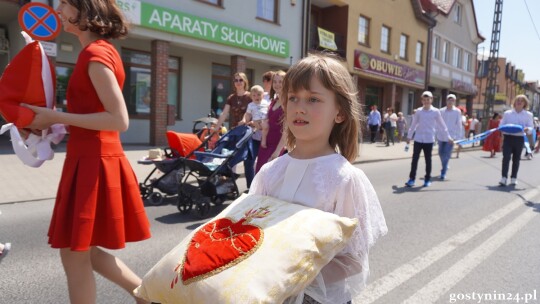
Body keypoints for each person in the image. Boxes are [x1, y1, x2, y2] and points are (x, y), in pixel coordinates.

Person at [21, 1, 151, 303]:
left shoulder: (95, 53)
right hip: (91, 158)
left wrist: (55, 117)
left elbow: (119, 120)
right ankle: (147, 296)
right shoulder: (98, 51)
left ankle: (148, 296)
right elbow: (97, 114)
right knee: (81, 251)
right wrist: (53, 125)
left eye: (64, 4)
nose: (58, 11)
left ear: (85, 9)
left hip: (93, 161)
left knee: (75, 253)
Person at [249, 54, 387, 304]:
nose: (300, 107)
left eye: (313, 99)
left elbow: (353, 258)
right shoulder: (270, 173)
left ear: (340, 113)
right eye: (293, 98)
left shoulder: (344, 178)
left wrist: (298, 277)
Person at [213, 72, 255, 188]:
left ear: (245, 82)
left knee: (248, 162)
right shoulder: (231, 97)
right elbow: (224, 113)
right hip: (235, 130)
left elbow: (256, 111)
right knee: (231, 157)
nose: (238, 83)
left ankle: (250, 188)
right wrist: (215, 129)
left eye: (240, 80)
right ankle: (230, 184)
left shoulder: (250, 96)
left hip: (247, 131)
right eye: (236, 80)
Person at [405, 91, 453, 187]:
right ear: (422, 100)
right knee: (414, 160)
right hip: (418, 139)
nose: (426, 101)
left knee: (428, 160)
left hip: (429, 140)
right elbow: (413, 124)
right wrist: (409, 136)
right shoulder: (418, 111)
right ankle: (411, 179)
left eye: (428, 99)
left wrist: (448, 137)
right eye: (424, 100)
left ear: (431, 100)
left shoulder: (435, 112)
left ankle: (427, 179)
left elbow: (442, 126)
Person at [498, 95, 534, 186]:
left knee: (516, 159)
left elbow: (531, 127)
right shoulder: (507, 113)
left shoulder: (528, 115)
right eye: (518, 100)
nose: (519, 102)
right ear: (514, 101)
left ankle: (514, 178)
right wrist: (503, 128)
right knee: (506, 158)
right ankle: (504, 178)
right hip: (508, 138)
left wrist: (527, 129)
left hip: (519, 139)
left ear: (525, 103)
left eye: (521, 101)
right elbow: (501, 125)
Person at [255, 70, 287, 173]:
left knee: (270, 178)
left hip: (277, 145)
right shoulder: (274, 100)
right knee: (259, 174)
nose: (277, 84)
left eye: (280, 82)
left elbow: (286, 130)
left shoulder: (288, 102)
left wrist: (278, 151)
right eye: (275, 82)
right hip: (265, 144)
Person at [238, 85, 269, 159]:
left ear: (263, 95)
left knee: (264, 132)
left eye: (259, 94)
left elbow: (270, 112)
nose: (256, 97)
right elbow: (248, 114)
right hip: (256, 125)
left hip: (265, 123)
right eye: (254, 95)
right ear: (251, 97)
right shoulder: (251, 105)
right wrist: (244, 120)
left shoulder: (266, 103)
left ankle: (263, 142)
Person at [437, 94, 462, 180]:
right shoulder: (441, 111)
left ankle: (443, 172)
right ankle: (445, 165)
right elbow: (437, 123)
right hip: (441, 135)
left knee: (446, 154)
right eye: (449, 100)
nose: (450, 101)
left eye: (452, 100)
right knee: (440, 153)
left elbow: (459, 125)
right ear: (446, 100)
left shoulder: (457, 111)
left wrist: (458, 138)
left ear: (454, 101)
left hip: (451, 136)